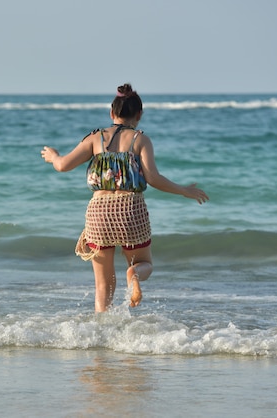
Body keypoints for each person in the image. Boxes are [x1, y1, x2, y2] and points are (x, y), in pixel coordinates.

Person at [41, 83, 209, 312]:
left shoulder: (94, 138)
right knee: (144, 263)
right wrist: (183, 190)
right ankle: (134, 274)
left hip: (99, 213)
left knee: (103, 285)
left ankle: (101, 332)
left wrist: (53, 156)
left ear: (112, 113)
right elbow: (154, 178)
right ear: (139, 115)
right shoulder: (140, 140)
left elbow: (62, 166)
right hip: (130, 210)